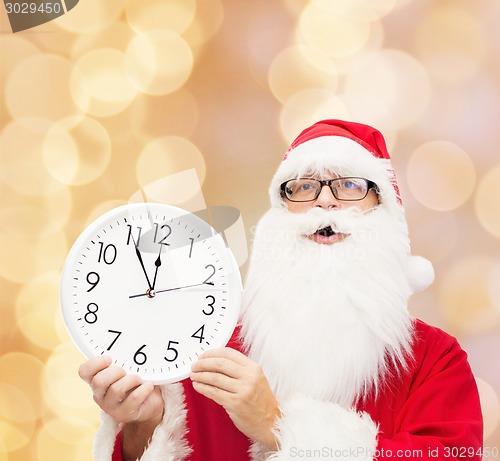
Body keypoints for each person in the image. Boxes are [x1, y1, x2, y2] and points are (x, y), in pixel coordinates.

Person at [79, 119, 483, 461]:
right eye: (303, 187)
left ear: (384, 212)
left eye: (350, 185)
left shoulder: (436, 361)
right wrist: (144, 425)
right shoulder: (208, 347)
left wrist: (277, 427)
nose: (325, 203)